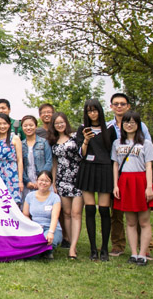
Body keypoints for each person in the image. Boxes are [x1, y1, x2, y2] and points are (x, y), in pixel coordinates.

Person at [112, 111, 153, 266]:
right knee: (130, 222)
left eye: (133, 122)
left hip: (141, 181)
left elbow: (149, 166)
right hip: (125, 182)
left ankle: (143, 254)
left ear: (138, 125)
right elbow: (115, 165)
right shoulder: (117, 143)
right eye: (126, 122)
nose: (129, 125)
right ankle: (133, 253)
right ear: (122, 125)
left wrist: (149, 187)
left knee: (144, 221)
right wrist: (115, 185)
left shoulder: (145, 143)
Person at [107, 92, 153, 258]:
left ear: (128, 106)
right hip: (121, 178)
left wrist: (149, 185)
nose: (119, 106)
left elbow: (148, 160)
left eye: (122, 103)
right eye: (116, 104)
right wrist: (115, 184)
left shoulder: (143, 131)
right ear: (111, 106)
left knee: (142, 216)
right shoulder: (109, 128)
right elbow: (113, 160)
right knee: (120, 215)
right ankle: (121, 247)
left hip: (139, 177)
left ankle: (144, 249)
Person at [75, 98, 117, 261]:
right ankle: (93, 249)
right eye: (89, 111)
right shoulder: (82, 129)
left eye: (95, 110)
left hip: (105, 169)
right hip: (87, 169)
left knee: (104, 210)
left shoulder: (110, 129)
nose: (92, 114)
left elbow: (113, 152)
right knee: (90, 210)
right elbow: (81, 153)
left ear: (100, 111)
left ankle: (104, 248)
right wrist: (86, 140)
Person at [49, 112, 83, 259]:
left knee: (76, 213)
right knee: (67, 213)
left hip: (78, 178)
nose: (59, 125)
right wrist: (54, 182)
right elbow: (55, 163)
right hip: (62, 180)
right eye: (56, 123)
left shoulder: (75, 136)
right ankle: (68, 240)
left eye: (61, 122)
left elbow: (83, 153)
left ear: (66, 122)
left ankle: (73, 247)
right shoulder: (53, 140)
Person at [22, 171, 62, 258]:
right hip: (35, 228)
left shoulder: (55, 197)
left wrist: (51, 232)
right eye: (41, 180)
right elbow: (25, 215)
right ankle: (42, 252)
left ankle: (47, 251)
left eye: (47, 181)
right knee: (31, 249)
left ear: (51, 183)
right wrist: (33, 225)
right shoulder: (29, 196)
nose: (43, 183)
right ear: (37, 181)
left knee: (45, 239)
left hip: (51, 228)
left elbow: (55, 217)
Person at [0, 113, 24, 206]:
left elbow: (20, 160)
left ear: (9, 124)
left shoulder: (15, 138)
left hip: (12, 174)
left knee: (13, 203)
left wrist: (20, 180)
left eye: (4, 123)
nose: (2, 126)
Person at [20, 115, 53, 197]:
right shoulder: (20, 145)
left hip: (44, 182)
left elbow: (49, 161)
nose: (28, 128)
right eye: (25, 126)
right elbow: (20, 164)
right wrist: (27, 182)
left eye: (31, 125)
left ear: (36, 126)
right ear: (22, 127)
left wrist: (41, 180)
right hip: (27, 183)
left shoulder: (44, 142)